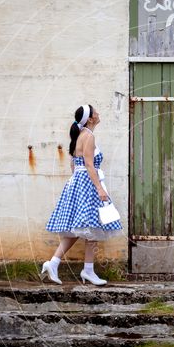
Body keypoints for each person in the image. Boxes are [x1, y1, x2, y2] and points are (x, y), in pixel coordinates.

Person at [41, 104, 122, 285]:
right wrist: (99, 188)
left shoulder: (80, 136)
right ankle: (87, 270)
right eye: (96, 112)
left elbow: (74, 164)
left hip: (78, 182)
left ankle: (54, 264)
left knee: (79, 229)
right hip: (87, 183)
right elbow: (89, 165)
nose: (99, 113)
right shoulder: (89, 136)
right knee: (91, 228)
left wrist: (78, 183)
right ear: (91, 118)